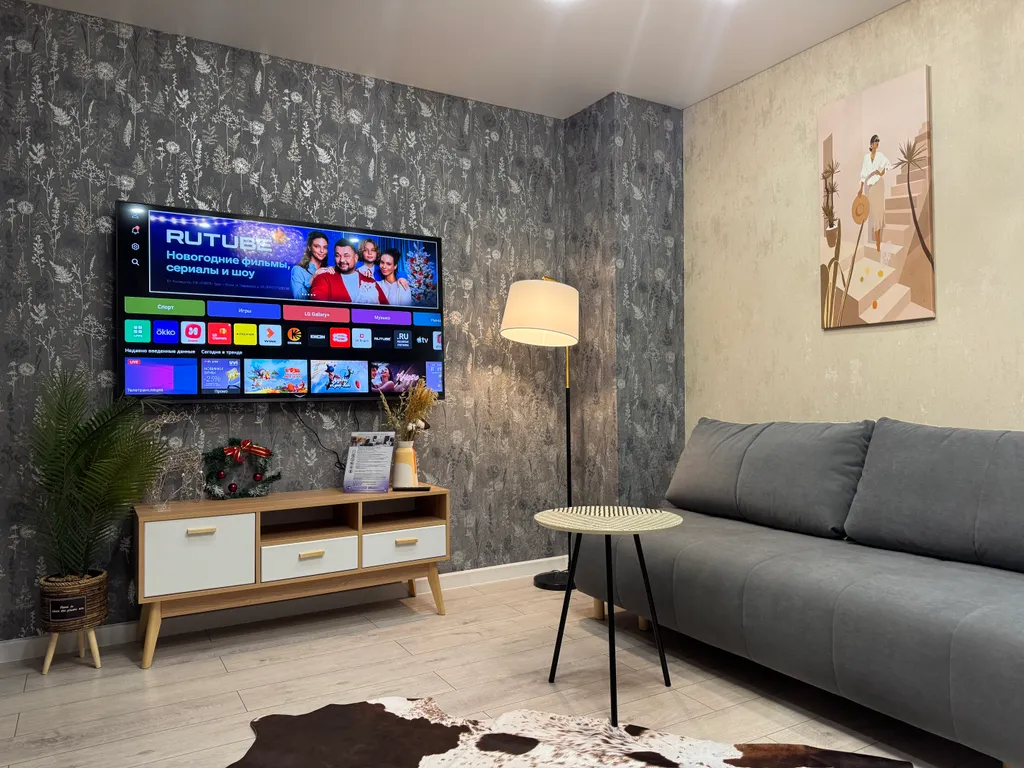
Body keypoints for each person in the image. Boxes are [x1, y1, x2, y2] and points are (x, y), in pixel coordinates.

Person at [309, 240, 388, 303]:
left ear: (356, 258)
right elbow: (318, 309)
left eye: (346, 256)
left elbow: (387, 311)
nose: (342, 260)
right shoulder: (324, 278)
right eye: (337, 256)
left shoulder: (370, 281)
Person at [859, 134, 891, 255]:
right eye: (876, 141)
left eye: (878, 141)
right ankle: (877, 239)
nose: (877, 143)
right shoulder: (866, 158)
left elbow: (888, 165)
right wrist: (860, 188)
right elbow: (863, 174)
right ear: (871, 143)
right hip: (871, 187)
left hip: (879, 185)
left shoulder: (881, 156)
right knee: (873, 212)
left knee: (878, 212)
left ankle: (878, 242)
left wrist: (881, 173)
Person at [290, 231, 329, 299]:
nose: (322, 251)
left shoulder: (327, 271)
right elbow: (299, 298)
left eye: (325, 247)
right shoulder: (298, 270)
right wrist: (313, 278)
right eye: (317, 246)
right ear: (309, 247)